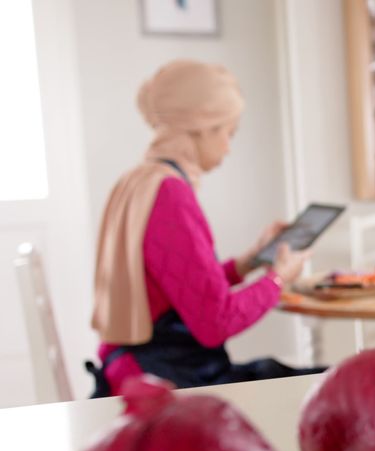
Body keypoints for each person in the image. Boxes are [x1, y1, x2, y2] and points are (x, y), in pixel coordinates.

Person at [86, 59, 324, 397]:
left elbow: (184, 292)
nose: (228, 146)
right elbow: (215, 323)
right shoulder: (170, 194)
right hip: (171, 380)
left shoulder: (139, 180)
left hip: (134, 368)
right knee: (334, 382)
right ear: (201, 128)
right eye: (229, 132)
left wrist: (251, 260)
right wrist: (279, 279)